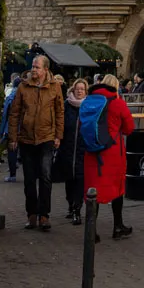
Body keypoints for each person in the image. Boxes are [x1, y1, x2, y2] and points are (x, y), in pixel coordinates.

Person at [8, 54, 64, 231]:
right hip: (26, 138)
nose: (33, 69)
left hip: (46, 137)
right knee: (29, 179)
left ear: (45, 69)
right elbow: (15, 113)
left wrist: (58, 136)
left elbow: (59, 112)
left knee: (46, 177)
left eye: (37, 67)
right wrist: (13, 137)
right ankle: (31, 214)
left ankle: (44, 215)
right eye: (33, 66)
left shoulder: (55, 87)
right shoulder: (24, 87)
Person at [82, 74, 135, 241]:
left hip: (91, 153)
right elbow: (129, 128)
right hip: (113, 153)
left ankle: (91, 231)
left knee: (93, 191)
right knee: (117, 190)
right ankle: (118, 227)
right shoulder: (118, 103)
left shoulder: (88, 102)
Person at [55, 78, 88, 223]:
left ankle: (77, 209)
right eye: (77, 89)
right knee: (69, 179)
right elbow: (60, 122)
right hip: (67, 147)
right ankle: (70, 205)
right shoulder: (66, 105)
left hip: (82, 148)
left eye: (82, 89)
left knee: (80, 180)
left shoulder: (88, 106)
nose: (80, 91)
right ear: (73, 90)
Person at [0, 76, 21, 182]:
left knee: (11, 151)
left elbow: (6, 115)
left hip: (10, 128)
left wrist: (3, 130)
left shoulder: (11, 96)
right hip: (23, 128)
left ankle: (13, 174)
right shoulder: (24, 95)